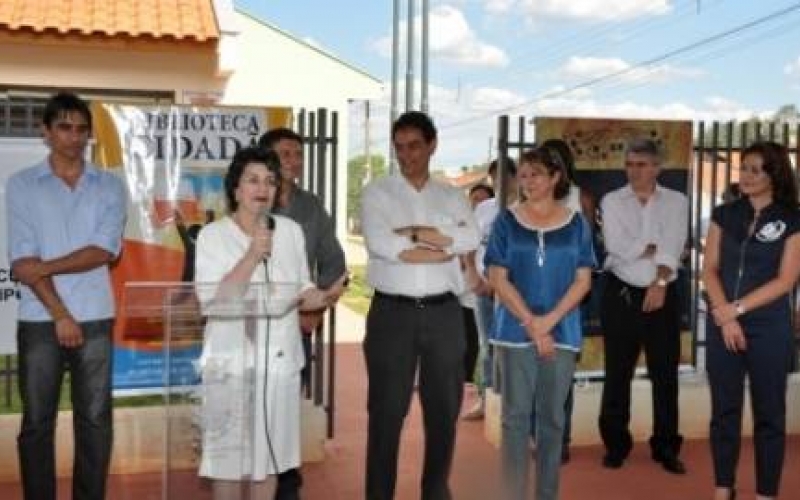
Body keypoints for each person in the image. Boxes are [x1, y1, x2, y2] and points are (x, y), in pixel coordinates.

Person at [194, 147, 345, 499]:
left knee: (272, 460)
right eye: (253, 180)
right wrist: (252, 255)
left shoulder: (290, 231)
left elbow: (301, 287)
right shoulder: (212, 236)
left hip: (279, 367)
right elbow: (213, 301)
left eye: (270, 181)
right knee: (228, 463)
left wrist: (322, 297)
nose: (262, 188)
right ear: (236, 189)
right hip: (232, 366)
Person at [6, 91, 126, 500]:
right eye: (64, 127)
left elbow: (104, 250)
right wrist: (60, 313)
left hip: (95, 315)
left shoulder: (109, 186)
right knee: (37, 422)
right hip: (41, 319)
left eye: (81, 130)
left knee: (94, 421)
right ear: (46, 131)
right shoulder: (21, 185)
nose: (74, 137)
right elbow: (22, 261)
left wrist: (44, 266)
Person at [360, 110, 480, 500]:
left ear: (432, 145)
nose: (406, 155)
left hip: (446, 313)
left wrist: (413, 234)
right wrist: (438, 248)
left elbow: (470, 238)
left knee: (444, 411)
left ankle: (435, 491)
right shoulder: (377, 192)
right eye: (399, 148)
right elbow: (381, 244)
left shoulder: (451, 195)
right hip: (392, 314)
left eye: (414, 146)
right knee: (386, 413)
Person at [485, 147, 594, 500]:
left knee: (552, 422)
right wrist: (533, 323)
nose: (528, 181)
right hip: (515, 331)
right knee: (515, 420)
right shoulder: (505, 221)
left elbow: (583, 282)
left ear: (555, 178)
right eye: (524, 174)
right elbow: (498, 278)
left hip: (562, 331)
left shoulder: (577, 223)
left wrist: (549, 322)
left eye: (536, 174)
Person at [701, 141, 800, 500]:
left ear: (775, 174)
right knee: (724, 411)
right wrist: (725, 316)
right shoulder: (724, 214)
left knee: (769, 415)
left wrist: (737, 310)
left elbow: (786, 280)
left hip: (769, 327)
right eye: (743, 168)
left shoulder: (792, 219)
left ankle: (765, 493)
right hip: (723, 323)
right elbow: (709, 270)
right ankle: (723, 487)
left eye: (756, 170)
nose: (745, 176)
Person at [257, 127, 347, 500]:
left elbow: (334, 262)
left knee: (285, 412)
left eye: (298, 153)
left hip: (298, 324)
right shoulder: (251, 199)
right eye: (285, 154)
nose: (294, 161)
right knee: (252, 414)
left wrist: (319, 308)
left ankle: (287, 487)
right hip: (251, 325)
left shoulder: (311, 206)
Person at [597, 138, 689, 474]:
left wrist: (660, 281)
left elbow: (675, 244)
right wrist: (650, 245)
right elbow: (616, 247)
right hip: (620, 294)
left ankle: (666, 447)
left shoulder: (677, 201)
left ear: (657, 167)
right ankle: (616, 445)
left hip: (663, 291)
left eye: (641, 164)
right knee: (617, 373)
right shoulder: (612, 200)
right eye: (630, 164)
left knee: (665, 375)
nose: (634, 171)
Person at [530, 138, 598, 463]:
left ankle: (560, 440)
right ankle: (534, 436)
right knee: (531, 367)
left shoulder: (580, 198)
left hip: (569, 296)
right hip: (531, 295)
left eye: (555, 161)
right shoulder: (526, 196)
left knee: (561, 372)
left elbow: (588, 250)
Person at [462, 159, 517, 421]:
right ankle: (486, 399)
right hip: (483, 289)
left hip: (514, 291)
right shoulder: (483, 209)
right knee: (487, 346)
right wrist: (472, 274)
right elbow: (469, 244)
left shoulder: (525, 209)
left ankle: (510, 403)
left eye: (506, 177)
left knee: (512, 347)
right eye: (495, 178)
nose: (500, 183)